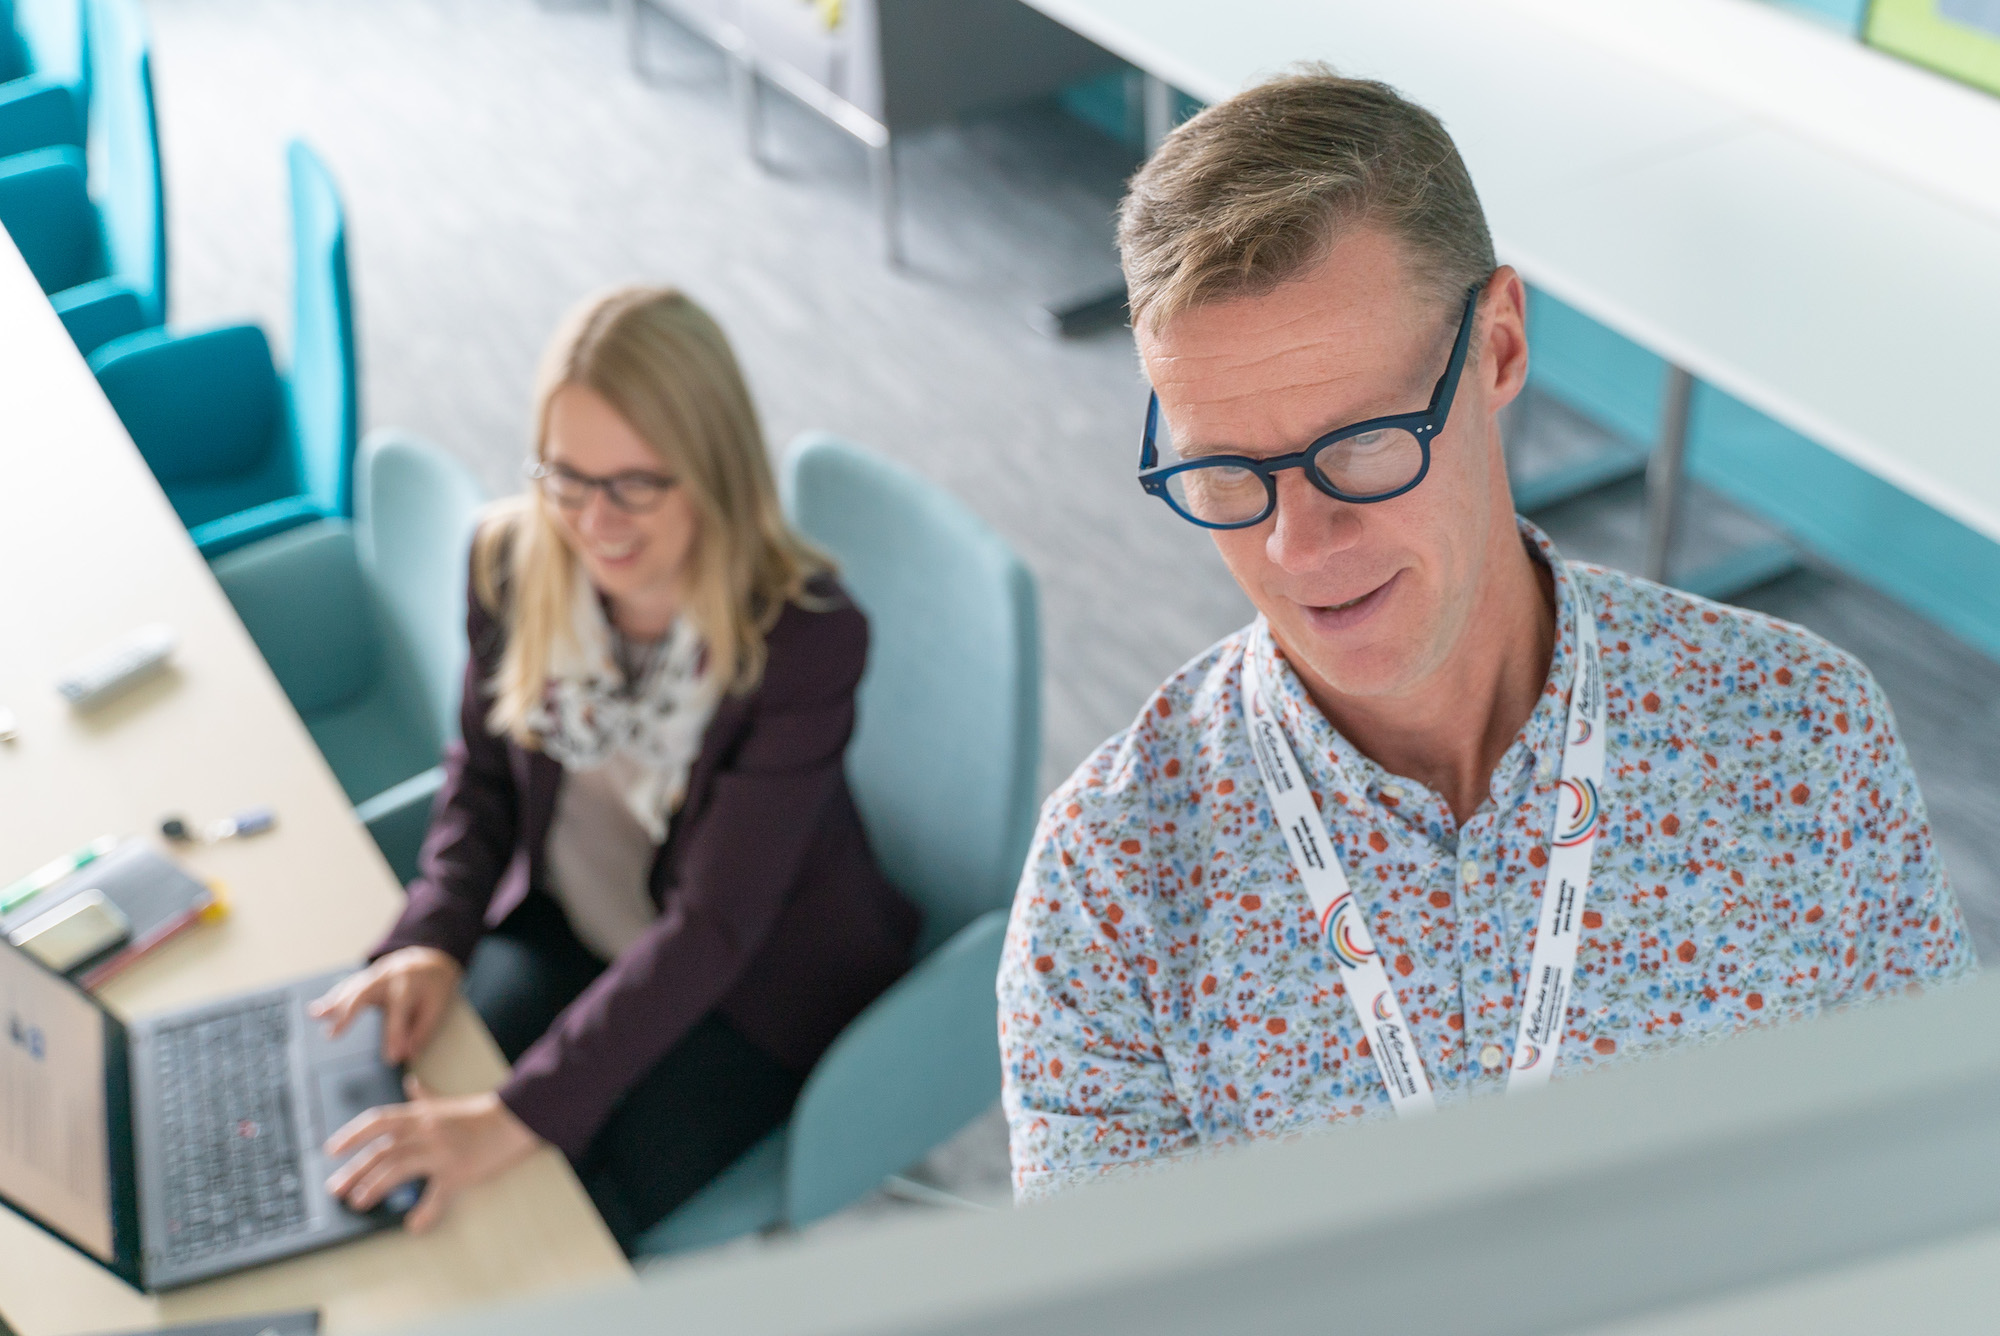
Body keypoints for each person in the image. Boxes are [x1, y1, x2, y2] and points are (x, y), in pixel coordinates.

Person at [998, 70, 1975, 1202]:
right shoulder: (1110, 885)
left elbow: (1934, 1176)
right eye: (1223, 470)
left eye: (1360, 442)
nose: (1296, 548)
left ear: (1499, 347)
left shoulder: (1804, 744)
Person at [309, 286, 919, 1249]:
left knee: (562, 1217)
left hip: (747, 985)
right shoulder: (510, 562)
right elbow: (481, 780)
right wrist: (433, 934)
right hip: (573, 924)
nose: (594, 520)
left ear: (712, 471)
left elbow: (714, 925)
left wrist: (513, 1118)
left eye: (635, 484)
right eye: (566, 477)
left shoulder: (804, 636)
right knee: (405, 1105)